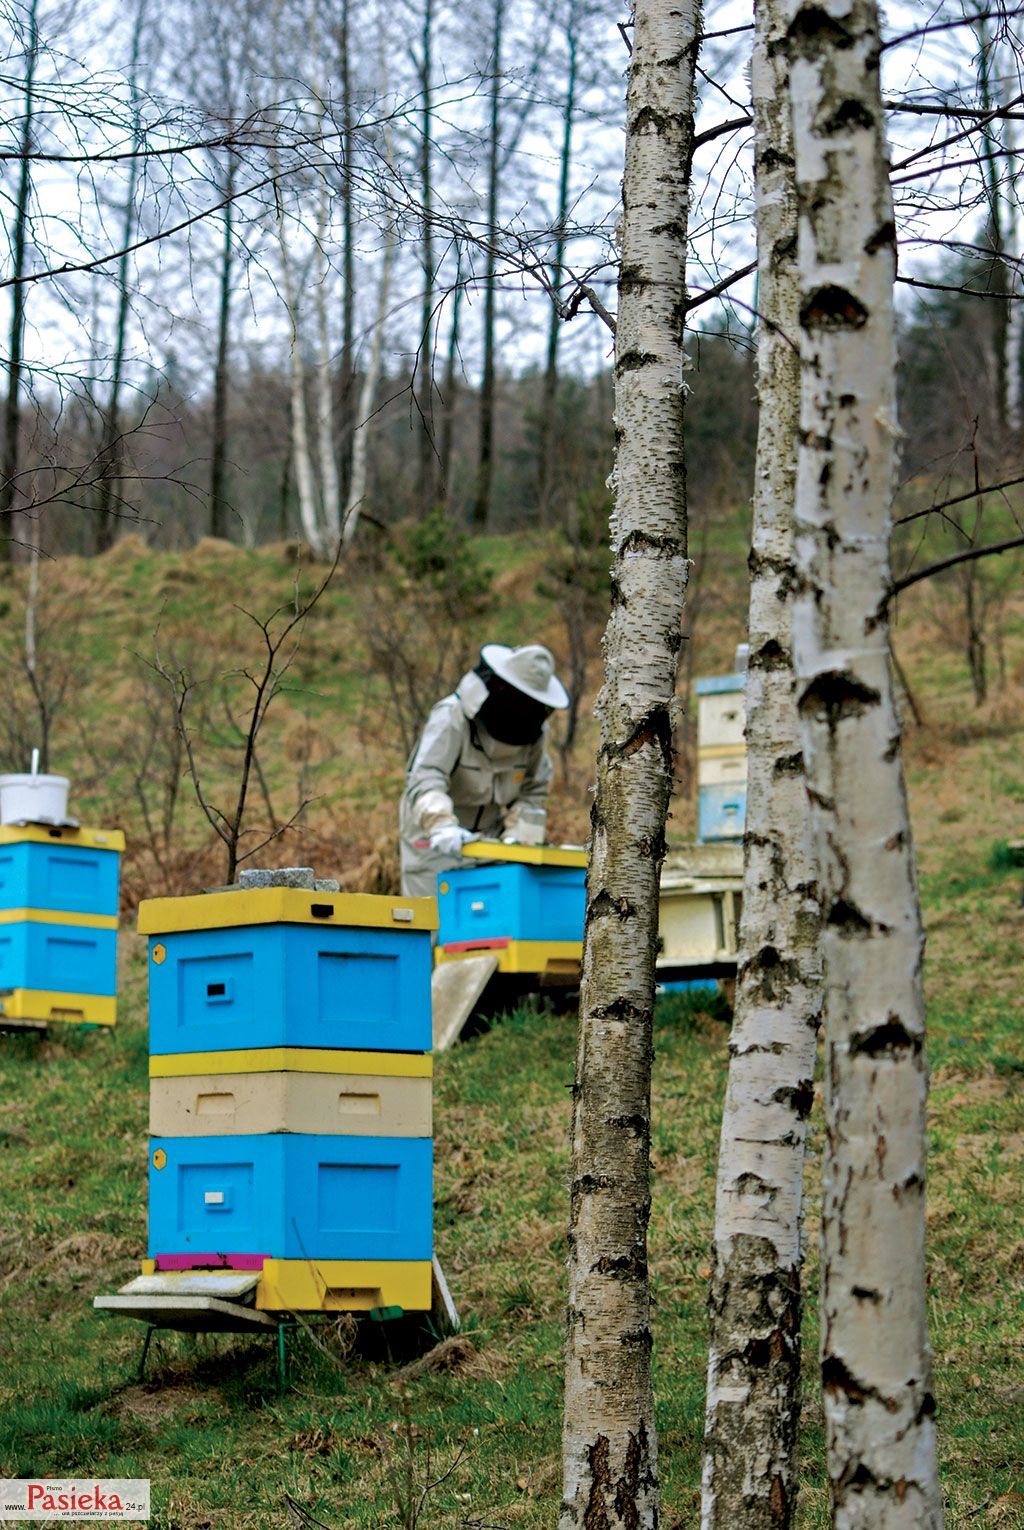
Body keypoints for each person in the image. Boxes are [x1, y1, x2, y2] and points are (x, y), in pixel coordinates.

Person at [399, 643, 570, 899]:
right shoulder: (452, 717)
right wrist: (440, 824)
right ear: (504, 688)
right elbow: (426, 776)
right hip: (433, 837)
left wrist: (517, 835)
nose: (525, 709)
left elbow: (533, 789)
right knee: (432, 916)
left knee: (488, 919)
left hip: (491, 840)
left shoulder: (535, 732)